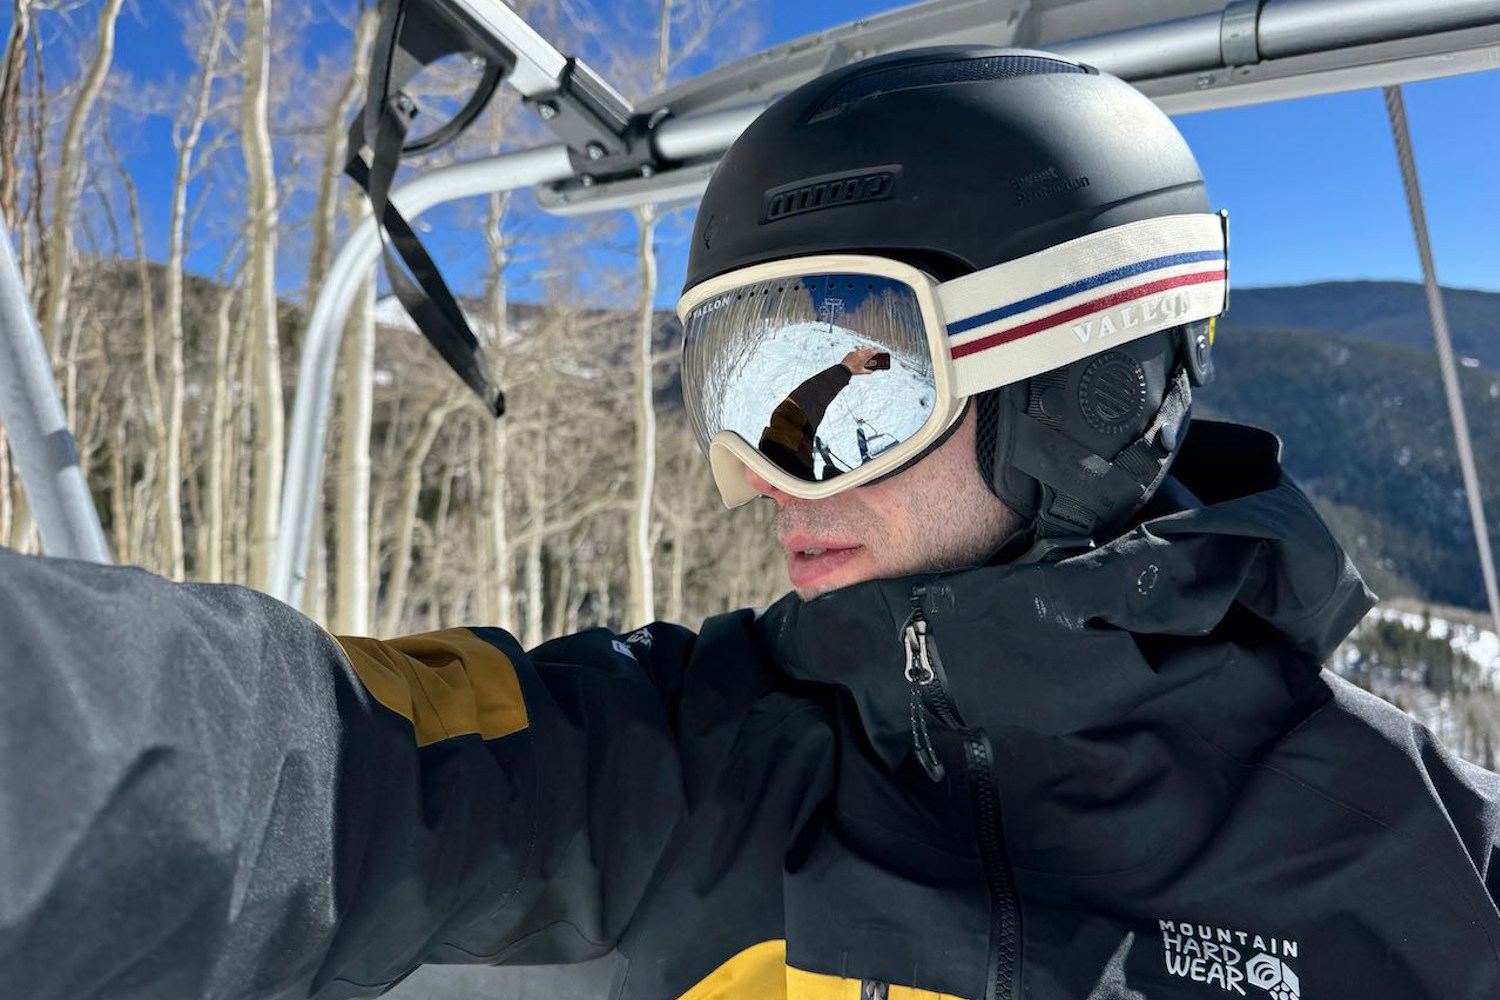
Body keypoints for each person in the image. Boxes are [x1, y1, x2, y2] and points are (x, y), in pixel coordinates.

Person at [3, 46, 1498, 1000]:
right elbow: (327, 768)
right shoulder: (703, 752)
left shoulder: (1425, 859)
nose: (776, 473)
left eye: (846, 395)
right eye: (741, 392)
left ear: (1079, 388)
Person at [757, 346, 886, 478]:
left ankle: (831, 470)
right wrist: (844, 371)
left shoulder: (785, 478)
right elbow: (791, 419)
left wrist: (845, 370)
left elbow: (790, 420)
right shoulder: (789, 478)